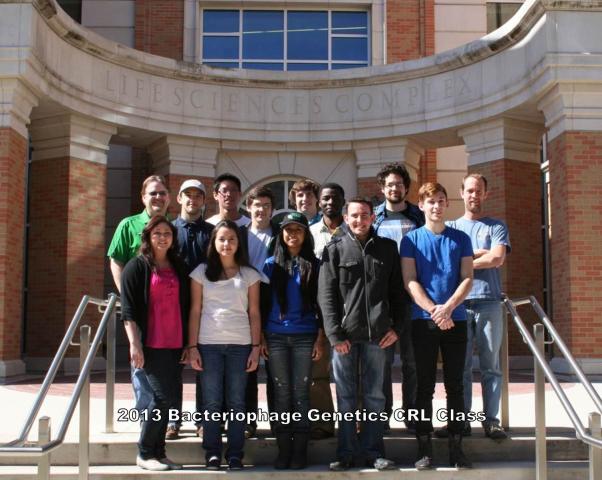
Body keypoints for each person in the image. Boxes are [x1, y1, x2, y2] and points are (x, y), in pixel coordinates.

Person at [318, 198, 404, 471]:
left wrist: (396, 328)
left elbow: (398, 294)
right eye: (354, 215)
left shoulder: (388, 249)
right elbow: (327, 296)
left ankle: (373, 452)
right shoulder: (334, 250)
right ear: (345, 218)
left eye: (365, 215)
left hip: (378, 336)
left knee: (375, 396)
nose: (359, 220)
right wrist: (333, 335)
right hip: (344, 337)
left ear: (372, 218)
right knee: (345, 396)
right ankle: (345, 452)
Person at [400, 182, 474, 470]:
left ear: (446, 204)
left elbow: (467, 277)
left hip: (455, 319)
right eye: (430, 201)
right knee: (424, 387)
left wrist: (449, 307)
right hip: (423, 321)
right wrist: (433, 310)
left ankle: (456, 446)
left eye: (441, 201)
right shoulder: (411, 240)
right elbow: (410, 280)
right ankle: (424, 447)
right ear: (421, 205)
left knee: (455, 385)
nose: (436, 206)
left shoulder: (461, 238)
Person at [183, 220, 262, 470]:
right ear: (214, 243)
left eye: (232, 239)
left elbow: (255, 313)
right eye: (222, 239)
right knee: (212, 402)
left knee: (238, 402)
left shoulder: (249, 274)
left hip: (241, 345)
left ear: (239, 244)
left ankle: (236, 453)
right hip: (208, 345)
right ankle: (213, 453)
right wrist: (192, 346)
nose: (226, 244)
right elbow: (195, 311)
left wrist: (256, 347)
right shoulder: (200, 272)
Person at [443, 173, 511, 440]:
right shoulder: (450, 227)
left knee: (491, 366)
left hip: (489, 303)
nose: (474, 195)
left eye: (478, 191)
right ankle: (462, 420)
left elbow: (496, 258)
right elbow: (447, 264)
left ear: (486, 194)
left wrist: (465, 259)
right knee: (459, 368)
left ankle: (491, 421)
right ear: (462, 193)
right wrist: (478, 255)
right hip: (459, 304)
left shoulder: (496, 227)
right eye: (469, 190)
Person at [120, 215, 189, 471]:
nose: (162, 238)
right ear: (148, 237)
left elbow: (187, 305)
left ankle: (159, 454)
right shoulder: (136, 267)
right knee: (160, 398)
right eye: (157, 233)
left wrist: (188, 344)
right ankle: (145, 452)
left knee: (168, 398)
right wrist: (134, 344)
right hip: (151, 343)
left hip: (175, 343)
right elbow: (128, 310)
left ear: (173, 238)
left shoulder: (179, 266)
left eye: (167, 233)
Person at [262, 212, 324, 469]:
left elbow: (323, 306)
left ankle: (299, 452)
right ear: (281, 234)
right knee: (281, 392)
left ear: (305, 234)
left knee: (301, 394)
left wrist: (320, 339)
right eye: (287, 230)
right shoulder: (269, 265)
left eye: (298, 229)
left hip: (304, 336)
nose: (292, 234)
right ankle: (283, 450)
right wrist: (261, 338)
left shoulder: (316, 265)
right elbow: (261, 305)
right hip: (275, 336)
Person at [107, 175, 171, 415]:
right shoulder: (129, 224)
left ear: (169, 197)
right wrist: (126, 295)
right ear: (143, 197)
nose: (158, 197)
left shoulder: (173, 225)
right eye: (152, 193)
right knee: (141, 361)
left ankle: (168, 418)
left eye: (162, 193)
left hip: (167, 308)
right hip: (140, 305)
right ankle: (146, 416)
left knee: (167, 362)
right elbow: (116, 260)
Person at [373, 163, 424, 432]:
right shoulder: (374, 218)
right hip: (383, 301)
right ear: (382, 189)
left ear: (406, 187)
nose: (394, 188)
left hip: (414, 299)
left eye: (399, 184)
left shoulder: (419, 216)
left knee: (412, 361)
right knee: (381, 363)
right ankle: (382, 416)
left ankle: (412, 415)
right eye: (389, 184)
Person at [167, 179, 214, 440]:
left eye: (198, 196)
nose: (192, 200)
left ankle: (203, 419)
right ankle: (172, 419)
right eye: (188, 195)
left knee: (203, 364)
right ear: (179, 199)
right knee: (172, 366)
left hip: (206, 308)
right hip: (173, 308)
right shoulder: (169, 230)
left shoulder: (212, 232)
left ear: (204, 201)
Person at [307, 182, 345, 440]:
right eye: (325, 199)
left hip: (350, 313)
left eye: (334, 198)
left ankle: (354, 424)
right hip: (318, 312)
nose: (329, 202)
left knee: (350, 375)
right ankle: (322, 424)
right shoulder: (309, 234)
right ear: (319, 202)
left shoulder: (354, 231)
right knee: (318, 374)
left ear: (343, 200)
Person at [242, 185, 278, 438]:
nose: (261, 210)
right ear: (249, 208)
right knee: (247, 367)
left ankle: (279, 421)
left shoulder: (280, 235)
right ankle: (248, 421)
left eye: (266, 206)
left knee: (276, 370)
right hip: (243, 306)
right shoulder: (238, 235)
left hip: (273, 305)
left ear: (272, 210)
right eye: (257, 205)